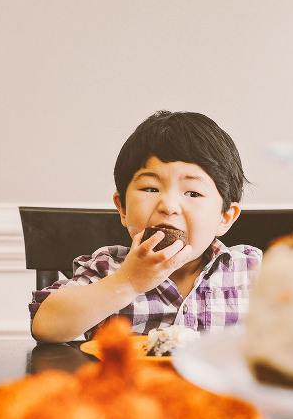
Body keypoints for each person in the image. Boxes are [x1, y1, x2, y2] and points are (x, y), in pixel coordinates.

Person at [29, 110, 261, 343]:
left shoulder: (250, 272)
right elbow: (44, 325)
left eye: (193, 193)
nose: (169, 206)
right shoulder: (106, 269)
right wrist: (126, 282)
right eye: (151, 188)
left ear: (225, 217)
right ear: (123, 208)